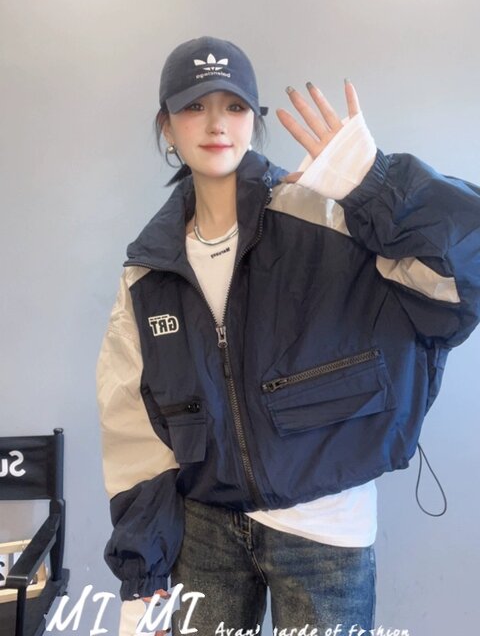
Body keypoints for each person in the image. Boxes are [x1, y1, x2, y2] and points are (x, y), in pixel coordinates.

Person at [97, 36, 480, 634]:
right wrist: (142, 571)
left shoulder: (329, 214)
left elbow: (465, 277)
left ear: (255, 120)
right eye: (194, 106)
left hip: (325, 524)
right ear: (166, 127)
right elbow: (133, 427)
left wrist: (377, 187)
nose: (216, 123)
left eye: (234, 105)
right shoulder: (149, 269)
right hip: (204, 532)